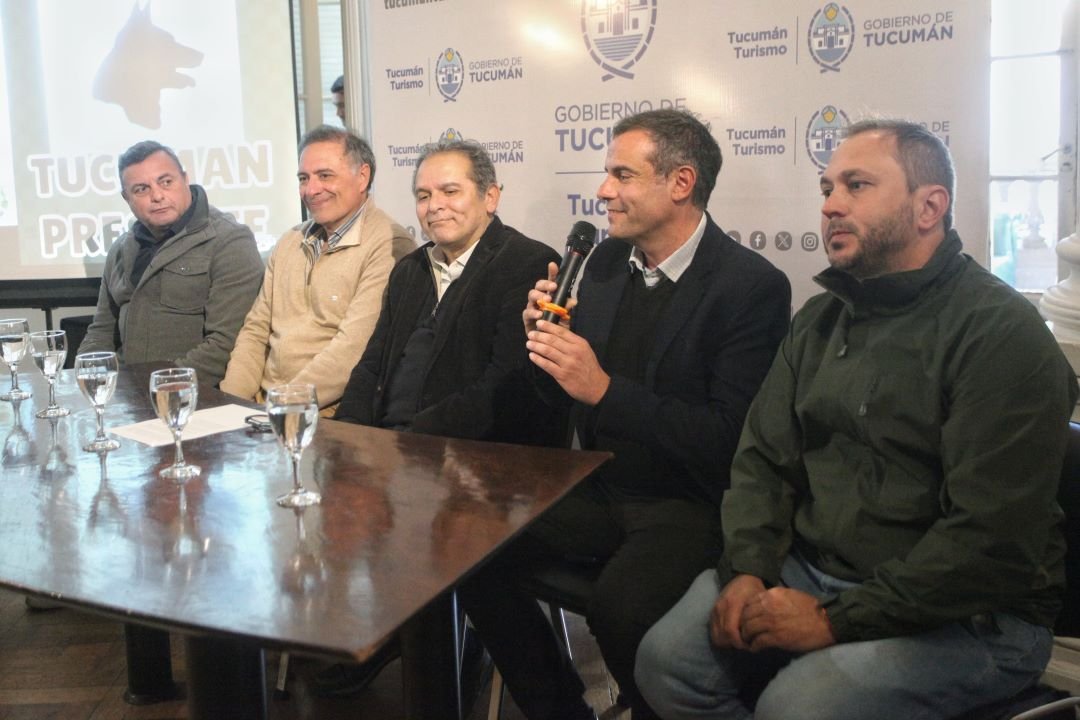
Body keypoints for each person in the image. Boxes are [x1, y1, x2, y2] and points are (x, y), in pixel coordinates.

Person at [634, 119, 1080, 720]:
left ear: (929, 207)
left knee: (797, 707)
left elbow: (988, 542)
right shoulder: (820, 319)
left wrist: (833, 620)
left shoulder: (1001, 335)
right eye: (826, 189)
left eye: (857, 185)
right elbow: (763, 460)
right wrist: (747, 569)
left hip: (975, 614)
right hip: (815, 569)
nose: (831, 205)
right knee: (667, 664)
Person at [458, 108, 791, 720]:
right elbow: (561, 399)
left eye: (622, 175)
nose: (603, 190)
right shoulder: (606, 263)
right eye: (607, 173)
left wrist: (605, 390)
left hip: (689, 503)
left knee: (621, 610)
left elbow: (727, 440)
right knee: (470, 548)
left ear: (681, 183)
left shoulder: (750, 287)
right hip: (600, 484)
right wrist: (543, 350)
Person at [335, 138, 561, 443]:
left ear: (490, 197)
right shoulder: (409, 270)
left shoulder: (526, 264)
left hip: (461, 450)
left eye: (450, 192)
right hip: (384, 445)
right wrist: (345, 433)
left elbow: (506, 386)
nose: (434, 206)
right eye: (423, 196)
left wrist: (410, 441)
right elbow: (372, 366)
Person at [221, 125, 412, 412]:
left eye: (325, 176)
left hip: (327, 415)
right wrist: (229, 405)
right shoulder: (289, 241)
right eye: (304, 178)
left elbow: (351, 351)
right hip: (263, 409)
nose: (311, 190)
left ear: (362, 176)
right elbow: (255, 331)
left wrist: (280, 407)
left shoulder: (388, 243)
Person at [79, 140, 263, 387]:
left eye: (166, 182)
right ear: (126, 198)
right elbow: (101, 331)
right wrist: (89, 380)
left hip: (195, 396)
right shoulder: (121, 249)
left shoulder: (229, 240)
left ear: (185, 179)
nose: (157, 196)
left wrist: (155, 387)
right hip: (125, 395)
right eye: (141, 189)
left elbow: (226, 344)